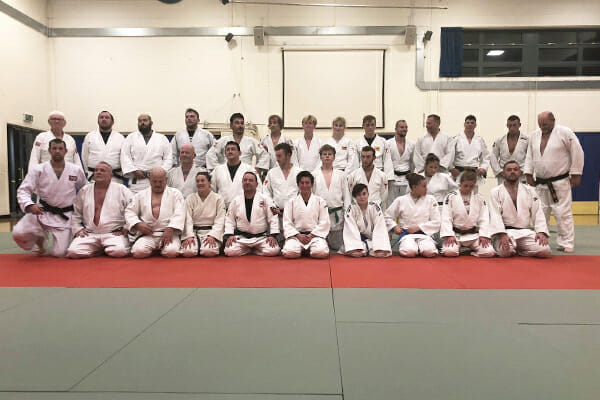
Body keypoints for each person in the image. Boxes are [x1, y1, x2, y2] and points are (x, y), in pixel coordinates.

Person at [13, 139, 87, 257]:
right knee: (18, 233)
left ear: (66, 151)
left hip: (65, 215)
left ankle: (59, 238)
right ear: (49, 150)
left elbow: (85, 190)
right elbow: (23, 190)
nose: (57, 151)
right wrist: (30, 204)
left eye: (60, 149)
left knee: (60, 253)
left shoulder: (75, 170)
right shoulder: (38, 169)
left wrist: (82, 213)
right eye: (54, 148)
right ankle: (40, 242)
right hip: (42, 211)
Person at [524, 111, 584, 253]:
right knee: (540, 211)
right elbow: (529, 155)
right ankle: (541, 240)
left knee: (562, 212)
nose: (542, 127)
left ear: (553, 120)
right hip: (540, 182)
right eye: (540, 124)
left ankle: (566, 241)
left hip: (560, 181)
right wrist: (528, 173)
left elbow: (577, 152)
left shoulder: (565, 133)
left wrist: (576, 173)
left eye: (544, 124)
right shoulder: (534, 135)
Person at [67, 162, 133, 258]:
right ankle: (100, 249)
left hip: (113, 233)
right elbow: (76, 213)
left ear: (111, 175)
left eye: (102, 170)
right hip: (90, 233)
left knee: (119, 251)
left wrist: (126, 227)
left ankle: (101, 248)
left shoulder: (121, 189)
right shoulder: (85, 190)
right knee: (73, 252)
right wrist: (78, 229)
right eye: (96, 170)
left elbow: (132, 210)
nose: (98, 172)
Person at [489, 161, 551, 258]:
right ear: (503, 173)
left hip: (524, 232)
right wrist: (501, 234)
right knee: (505, 252)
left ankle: (520, 250)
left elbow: (538, 212)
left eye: (515, 169)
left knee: (544, 249)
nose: (512, 172)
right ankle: (516, 248)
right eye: (509, 170)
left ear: (520, 173)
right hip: (506, 232)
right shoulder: (495, 192)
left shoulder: (530, 190)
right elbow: (495, 214)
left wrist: (541, 232)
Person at [124, 167, 185, 258]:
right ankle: (154, 249)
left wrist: (171, 228)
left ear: (166, 180)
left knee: (171, 252)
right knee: (138, 252)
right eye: (155, 181)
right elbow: (129, 211)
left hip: (168, 233)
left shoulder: (175, 193)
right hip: (148, 234)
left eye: (161, 181)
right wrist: (138, 224)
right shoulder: (141, 195)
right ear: (149, 180)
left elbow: (180, 212)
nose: (157, 184)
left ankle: (161, 248)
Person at [440, 170, 495, 258]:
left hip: (473, 235)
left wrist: (483, 235)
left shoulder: (479, 198)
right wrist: (449, 235)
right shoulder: (451, 197)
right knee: (449, 252)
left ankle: (472, 252)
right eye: (465, 186)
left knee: (489, 252)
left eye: (471, 186)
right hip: (456, 235)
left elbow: (484, 218)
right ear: (460, 183)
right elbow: (446, 217)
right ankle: (460, 248)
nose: (468, 188)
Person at [224, 172, 280, 256]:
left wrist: (273, 235)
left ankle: (251, 250)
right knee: (229, 251)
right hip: (242, 238)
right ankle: (250, 249)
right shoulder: (236, 200)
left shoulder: (265, 199)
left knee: (273, 250)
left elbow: (273, 217)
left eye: (251, 180)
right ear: (242, 183)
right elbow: (229, 219)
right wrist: (230, 235)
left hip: (260, 238)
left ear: (257, 184)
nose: (247, 182)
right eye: (245, 180)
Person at [386, 173, 441, 258]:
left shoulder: (431, 199)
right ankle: (416, 248)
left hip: (425, 234)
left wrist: (419, 227)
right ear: (414, 187)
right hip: (407, 235)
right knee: (409, 252)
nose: (426, 189)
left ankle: (421, 248)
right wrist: (395, 226)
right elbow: (387, 216)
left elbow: (437, 221)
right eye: (424, 186)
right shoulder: (401, 200)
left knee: (430, 252)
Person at [282, 171, 330, 258]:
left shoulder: (320, 201)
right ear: (298, 185)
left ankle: (306, 250)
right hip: (297, 236)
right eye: (302, 183)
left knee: (321, 252)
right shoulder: (291, 202)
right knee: (289, 252)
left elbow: (324, 222)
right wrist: (298, 235)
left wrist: (312, 235)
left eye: (307, 183)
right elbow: (287, 222)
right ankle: (302, 249)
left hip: (315, 236)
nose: (304, 185)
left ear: (312, 184)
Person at [121, 114, 172, 193]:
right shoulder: (131, 137)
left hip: (157, 180)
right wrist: (134, 170)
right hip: (137, 180)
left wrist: (159, 172)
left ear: (151, 123)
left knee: (157, 203)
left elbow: (168, 157)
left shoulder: (162, 138)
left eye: (145, 120)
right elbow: (125, 156)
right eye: (140, 121)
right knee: (136, 203)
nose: (142, 123)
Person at [312, 144, 350, 252]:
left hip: (337, 215)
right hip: (320, 215)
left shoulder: (342, 175)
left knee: (338, 247)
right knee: (320, 247)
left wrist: (347, 215)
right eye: (324, 154)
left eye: (330, 154)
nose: (327, 156)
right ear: (320, 157)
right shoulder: (314, 175)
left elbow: (346, 196)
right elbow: (312, 196)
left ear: (334, 157)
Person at [180, 172, 225, 257]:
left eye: (202, 180)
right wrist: (189, 236)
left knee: (208, 251)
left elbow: (220, 219)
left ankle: (202, 246)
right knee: (188, 252)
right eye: (197, 181)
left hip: (211, 232)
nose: (200, 183)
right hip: (194, 232)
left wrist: (213, 235)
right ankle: (196, 246)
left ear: (209, 182)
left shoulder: (218, 198)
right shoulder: (190, 198)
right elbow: (187, 219)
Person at [263, 143, 302, 243]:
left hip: (294, 214)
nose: (277, 159)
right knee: (276, 248)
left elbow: (303, 193)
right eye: (276, 156)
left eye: (279, 156)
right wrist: (273, 207)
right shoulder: (271, 173)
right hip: (276, 213)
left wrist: (294, 208)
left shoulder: (299, 172)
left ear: (288, 155)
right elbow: (266, 193)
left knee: (293, 245)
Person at [343, 183, 392, 258]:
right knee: (356, 252)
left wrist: (380, 247)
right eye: (359, 195)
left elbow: (380, 226)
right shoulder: (351, 209)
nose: (362, 197)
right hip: (358, 240)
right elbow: (350, 228)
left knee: (381, 252)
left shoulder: (374, 207)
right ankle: (364, 249)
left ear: (368, 194)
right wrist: (355, 246)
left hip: (373, 239)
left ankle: (370, 249)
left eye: (364, 194)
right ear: (355, 197)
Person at [211, 141, 263, 208]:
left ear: (239, 153)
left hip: (244, 207)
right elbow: (211, 189)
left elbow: (258, 188)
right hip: (222, 208)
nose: (230, 151)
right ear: (225, 154)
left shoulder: (249, 169)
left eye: (233, 149)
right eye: (227, 150)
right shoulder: (217, 170)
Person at [81, 111, 125, 182]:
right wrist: (90, 170)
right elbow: (84, 156)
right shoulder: (90, 136)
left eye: (107, 117)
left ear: (112, 122)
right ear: (98, 121)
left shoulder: (120, 137)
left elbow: (124, 157)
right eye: (101, 117)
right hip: (94, 176)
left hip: (115, 177)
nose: (104, 119)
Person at [450, 115, 490, 190]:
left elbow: (486, 157)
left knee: (473, 196)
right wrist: (451, 168)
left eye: (472, 123)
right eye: (468, 123)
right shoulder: (456, 139)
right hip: (459, 172)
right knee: (457, 196)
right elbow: (450, 156)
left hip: (474, 173)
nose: (470, 125)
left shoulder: (479, 140)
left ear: (475, 125)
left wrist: (483, 168)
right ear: (464, 124)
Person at [490, 115, 529, 184]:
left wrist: (524, 170)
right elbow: (493, 156)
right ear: (507, 125)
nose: (512, 128)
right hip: (504, 175)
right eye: (510, 125)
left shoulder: (526, 140)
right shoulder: (500, 140)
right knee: (503, 194)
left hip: (521, 174)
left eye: (514, 125)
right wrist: (499, 171)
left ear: (519, 125)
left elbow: (530, 157)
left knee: (521, 194)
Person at [356, 115, 394, 181]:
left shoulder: (383, 142)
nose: (370, 127)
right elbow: (355, 162)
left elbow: (387, 160)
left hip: (379, 173)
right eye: (367, 125)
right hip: (362, 174)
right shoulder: (358, 143)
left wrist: (388, 178)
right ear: (363, 126)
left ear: (375, 126)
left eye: (372, 125)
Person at [386, 119, 415, 202]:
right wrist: (388, 177)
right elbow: (387, 163)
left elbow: (412, 162)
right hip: (392, 179)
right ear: (396, 129)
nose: (404, 129)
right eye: (401, 127)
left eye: (406, 127)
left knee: (406, 205)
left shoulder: (412, 144)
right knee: (391, 205)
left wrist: (410, 175)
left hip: (406, 179)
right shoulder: (388, 144)